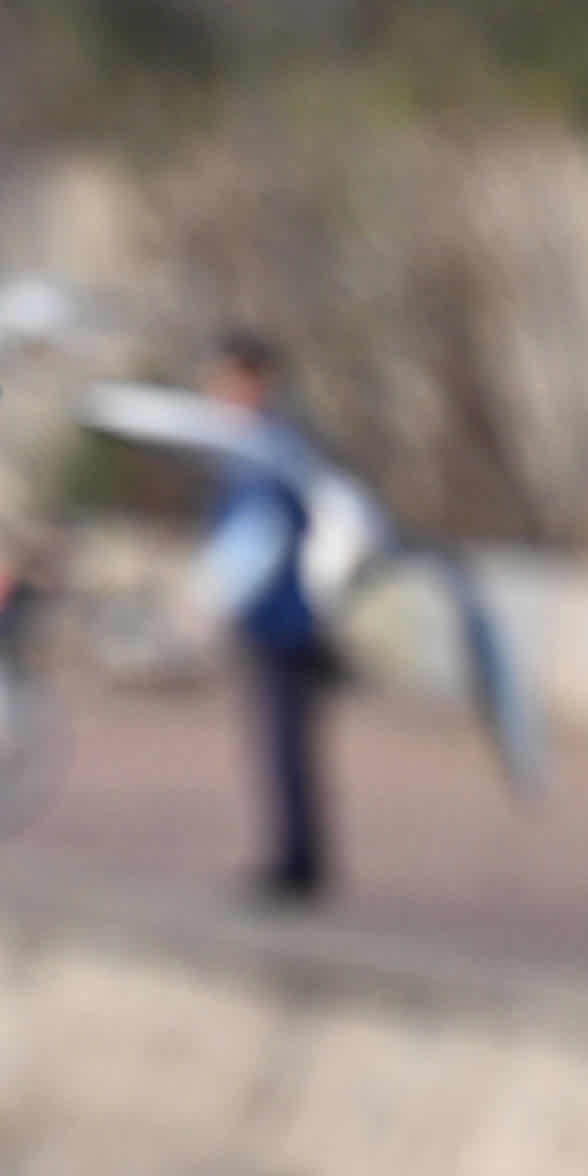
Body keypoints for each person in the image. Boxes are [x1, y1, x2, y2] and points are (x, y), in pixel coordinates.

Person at [195, 335, 338, 902]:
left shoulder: (271, 450)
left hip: (288, 616)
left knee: (285, 741)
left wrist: (216, 595)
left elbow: (263, 539)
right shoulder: (252, 447)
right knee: (276, 742)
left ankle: (297, 863)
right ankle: (291, 855)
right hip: (270, 617)